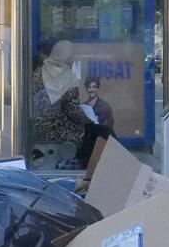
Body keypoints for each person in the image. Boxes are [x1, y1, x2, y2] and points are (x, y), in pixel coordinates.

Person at [32, 37, 115, 168]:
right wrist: (90, 120)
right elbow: (72, 111)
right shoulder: (66, 76)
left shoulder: (40, 71)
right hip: (57, 128)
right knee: (104, 133)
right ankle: (93, 169)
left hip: (37, 126)